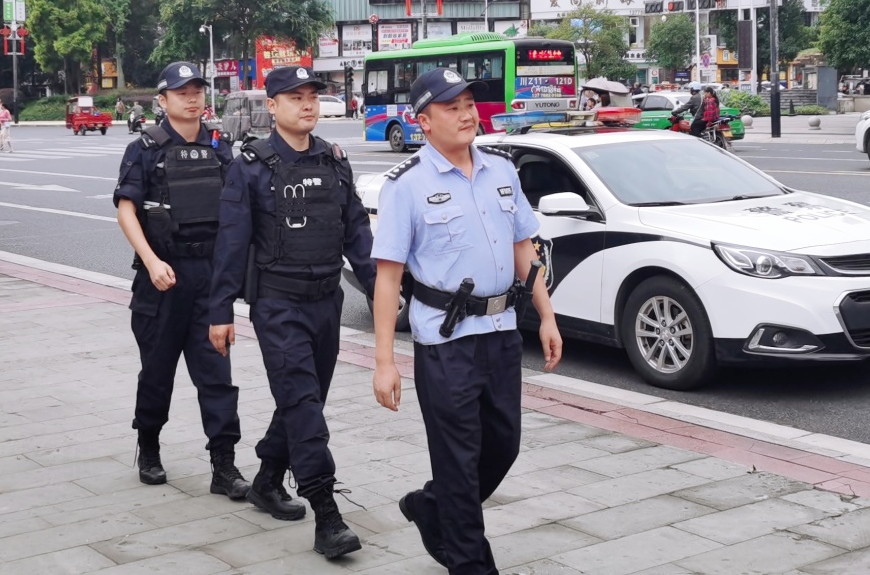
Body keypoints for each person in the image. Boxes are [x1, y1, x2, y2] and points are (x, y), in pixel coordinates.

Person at [370, 67, 562, 574]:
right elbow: (387, 278)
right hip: (445, 341)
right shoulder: (406, 186)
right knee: (457, 461)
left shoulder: (501, 170)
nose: (466, 114)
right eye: (451, 107)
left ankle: (433, 506)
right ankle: (471, 562)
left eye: (469, 104)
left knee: (503, 445)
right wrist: (384, 362)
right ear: (424, 121)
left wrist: (546, 315)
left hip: (501, 333)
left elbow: (524, 247)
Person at [209, 65, 376, 561]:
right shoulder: (251, 166)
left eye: (313, 97)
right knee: (304, 404)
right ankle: (327, 514)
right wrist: (220, 310)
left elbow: (357, 236)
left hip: (326, 302)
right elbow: (231, 243)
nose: (307, 104)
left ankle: (266, 479)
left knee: (304, 400)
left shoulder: (334, 161)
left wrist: (385, 293)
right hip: (278, 305)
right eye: (295, 97)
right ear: (273, 106)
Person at [113, 62, 248, 499]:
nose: (192, 99)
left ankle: (224, 466)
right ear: (163, 100)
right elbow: (127, 210)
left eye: (197, 91)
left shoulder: (221, 148)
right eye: (181, 92)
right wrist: (151, 261)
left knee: (217, 376)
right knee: (157, 372)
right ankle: (149, 447)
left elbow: (238, 215)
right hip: (162, 280)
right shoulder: (144, 149)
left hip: (209, 281)